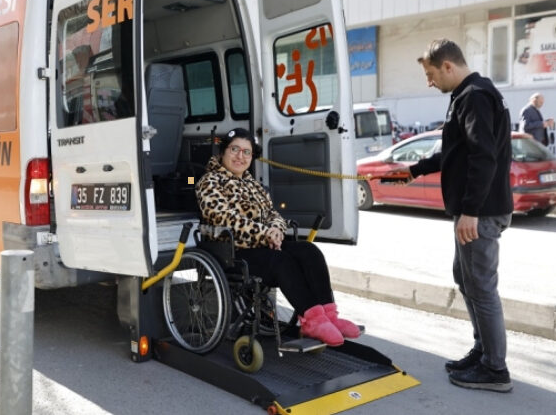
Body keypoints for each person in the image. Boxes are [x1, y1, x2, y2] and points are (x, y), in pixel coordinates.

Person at [387, 39, 513, 392]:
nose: (429, 82)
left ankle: (495, 369)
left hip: (481, 213)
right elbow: (455, 154)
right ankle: (484, 350)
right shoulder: (470, 95)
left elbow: (483, 157)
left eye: (430, 74)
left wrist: (471, 211)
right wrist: (411, 171)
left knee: (481, 288)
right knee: (466, 277)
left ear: (447, 66)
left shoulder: (473, 96)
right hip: (479, 211)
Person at [195, 128, 360, 346]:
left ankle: (329, 316)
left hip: (262, 245)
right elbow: (223, 218)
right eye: (234, 149)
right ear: (223, 151)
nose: (240, 156)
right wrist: (264, 233)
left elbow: (273, 214)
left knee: (309, 251)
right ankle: (313, 321)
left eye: (247, 152)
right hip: (233, 250)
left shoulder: (252, 184)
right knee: (282, 261)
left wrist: (275, 230)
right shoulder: (209, 181)